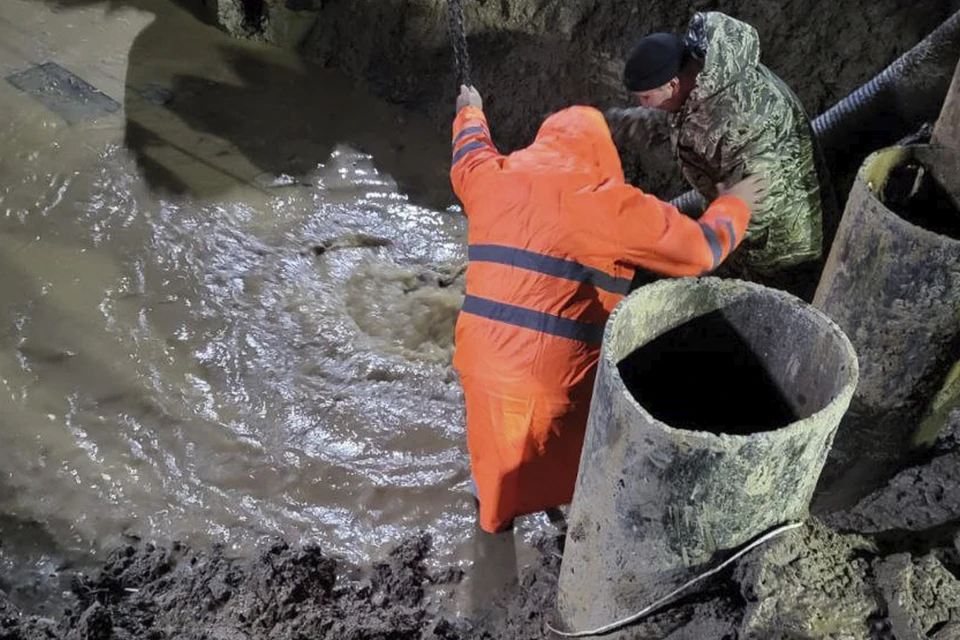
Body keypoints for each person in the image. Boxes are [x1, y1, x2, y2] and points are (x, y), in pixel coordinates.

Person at [451, 84, 768, 533]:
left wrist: (470, 113)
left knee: (495, 467)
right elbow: (701, 250)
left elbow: (469, 154)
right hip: (552, 380)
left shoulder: (493, 176)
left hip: (479, 362)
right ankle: (573, 533)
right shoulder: (607, 202)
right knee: (579, 461)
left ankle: (492, 536)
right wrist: (735, 203)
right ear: (601, 153)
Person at [606, 11, 827, 299]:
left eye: (646, 98)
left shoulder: (737, 118)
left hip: (783, 246)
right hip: (747, 225)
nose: (643, 105)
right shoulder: (704, 76)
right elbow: (682, 118)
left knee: (783, 304)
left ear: (672, 84)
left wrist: (713, 221)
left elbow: (760, 199)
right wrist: (616, 123)